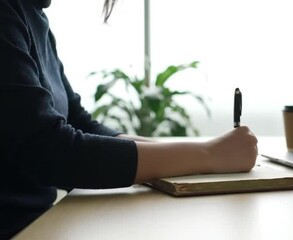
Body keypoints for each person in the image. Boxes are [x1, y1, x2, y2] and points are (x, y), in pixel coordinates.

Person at [0, 0, 258, 238]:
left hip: (42, 226)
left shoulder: (32, 12)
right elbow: (51, 151)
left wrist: (204, 151)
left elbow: (79, 122)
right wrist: (208, 154)